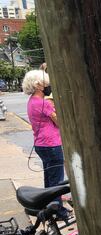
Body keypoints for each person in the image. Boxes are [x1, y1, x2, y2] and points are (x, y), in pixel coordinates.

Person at [22, 69, 70, 221]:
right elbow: (61, 122)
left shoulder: (31, 102)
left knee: (49, 177)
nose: (48, 86)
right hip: (52, 144)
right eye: (46, 83)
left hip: (41, 144)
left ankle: (47, 206)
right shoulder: (44, 103)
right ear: (38, 85)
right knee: (56, 180)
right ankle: (57, 211)